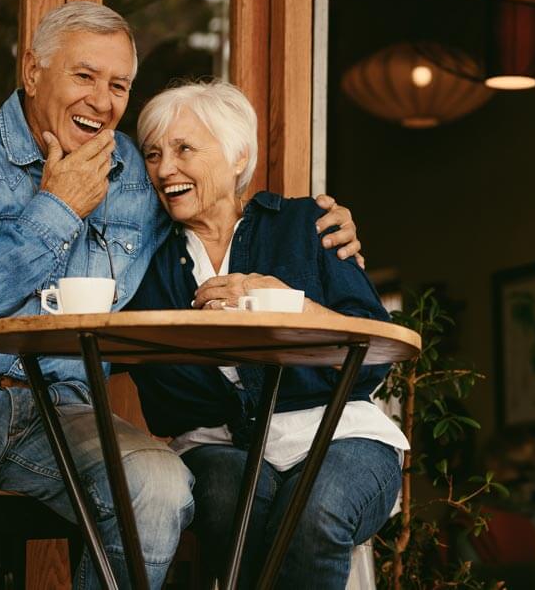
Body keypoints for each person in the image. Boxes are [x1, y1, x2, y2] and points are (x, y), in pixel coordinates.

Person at [0, 2, 363, 590]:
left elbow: (211, 212)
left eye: (119, 86)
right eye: (84, 76)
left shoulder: (137, 172)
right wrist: (56, 210)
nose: (102, 102)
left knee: (159, 493)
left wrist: (315, 226)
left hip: (67, 406)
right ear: (32, 72)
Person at [123, 80, 407, 589]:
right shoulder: (144, 261)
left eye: (185, 148)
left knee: (314, 513)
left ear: (238, 157)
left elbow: (375, 352)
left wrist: (291, 305)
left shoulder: (305, 224)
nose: (165, 169)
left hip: (339, 434)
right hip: (214, 446)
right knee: (235, 504)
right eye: (152, 154)